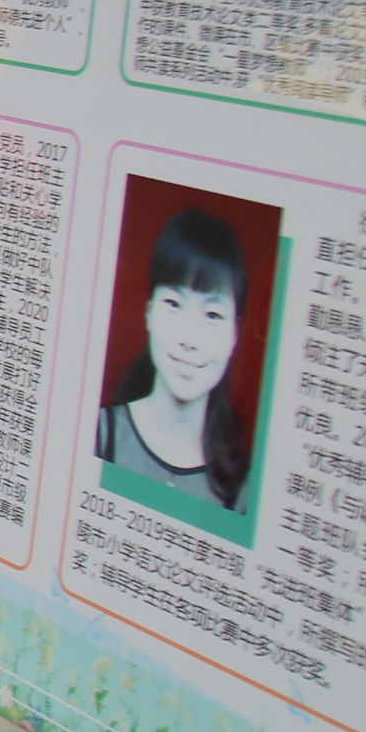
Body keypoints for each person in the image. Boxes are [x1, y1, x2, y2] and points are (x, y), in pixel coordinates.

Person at [95, 207, 256, 512]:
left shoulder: (241, 490)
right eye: (173, 303)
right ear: (149, 312)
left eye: (212, 314)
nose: (189, 339)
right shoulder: (98, 434)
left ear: (235, 334)